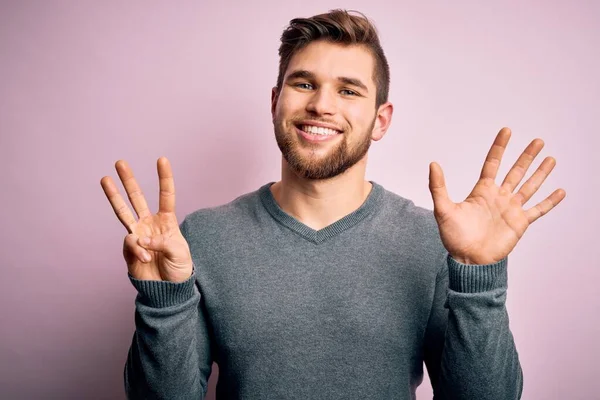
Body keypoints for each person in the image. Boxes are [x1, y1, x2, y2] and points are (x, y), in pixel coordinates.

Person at [100, 9, 565, 400]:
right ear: (275, 101)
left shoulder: (434, 242)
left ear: (381, 120)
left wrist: (478, 276)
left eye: (348, 90)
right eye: (303, 84)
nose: (322, 105)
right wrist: (163, 302)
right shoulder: (202, 237)